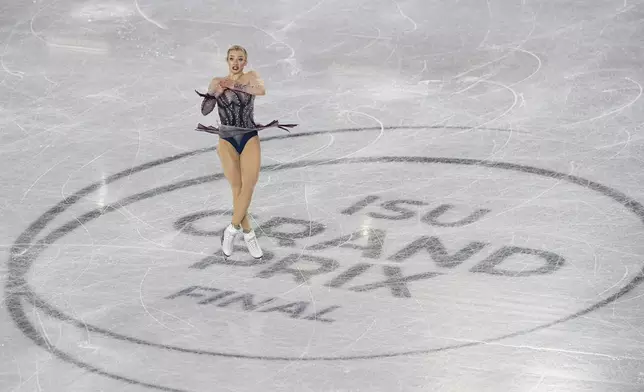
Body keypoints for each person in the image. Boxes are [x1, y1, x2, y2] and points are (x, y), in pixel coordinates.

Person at [195, 45, 296, 259]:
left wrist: (235, 85)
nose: (236, 62)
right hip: (226, 138)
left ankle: (231, 229)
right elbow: (205, 110)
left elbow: (261, 90)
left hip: (249, 135)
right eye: (232, 58)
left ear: (245, 62)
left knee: (249, 185)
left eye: (240, 59)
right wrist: (216, 93)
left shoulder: (250, 77)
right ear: (227, 60)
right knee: (237, 188)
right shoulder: (216, 81)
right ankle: (249, 233)